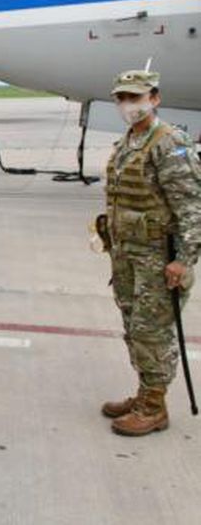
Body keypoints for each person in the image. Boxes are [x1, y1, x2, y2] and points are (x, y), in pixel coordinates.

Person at [99, 69, 200, 436]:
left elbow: (192, 205)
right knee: (134, 326)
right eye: (122, 97)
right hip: (128, 254)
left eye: (136, 97)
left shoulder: (169, 143)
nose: (128, 104)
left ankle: (154, 408)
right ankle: (145, 393)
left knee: (152, 331)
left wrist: (183, 260)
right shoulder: (130, 141)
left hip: (159, 257)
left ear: (154, 99)